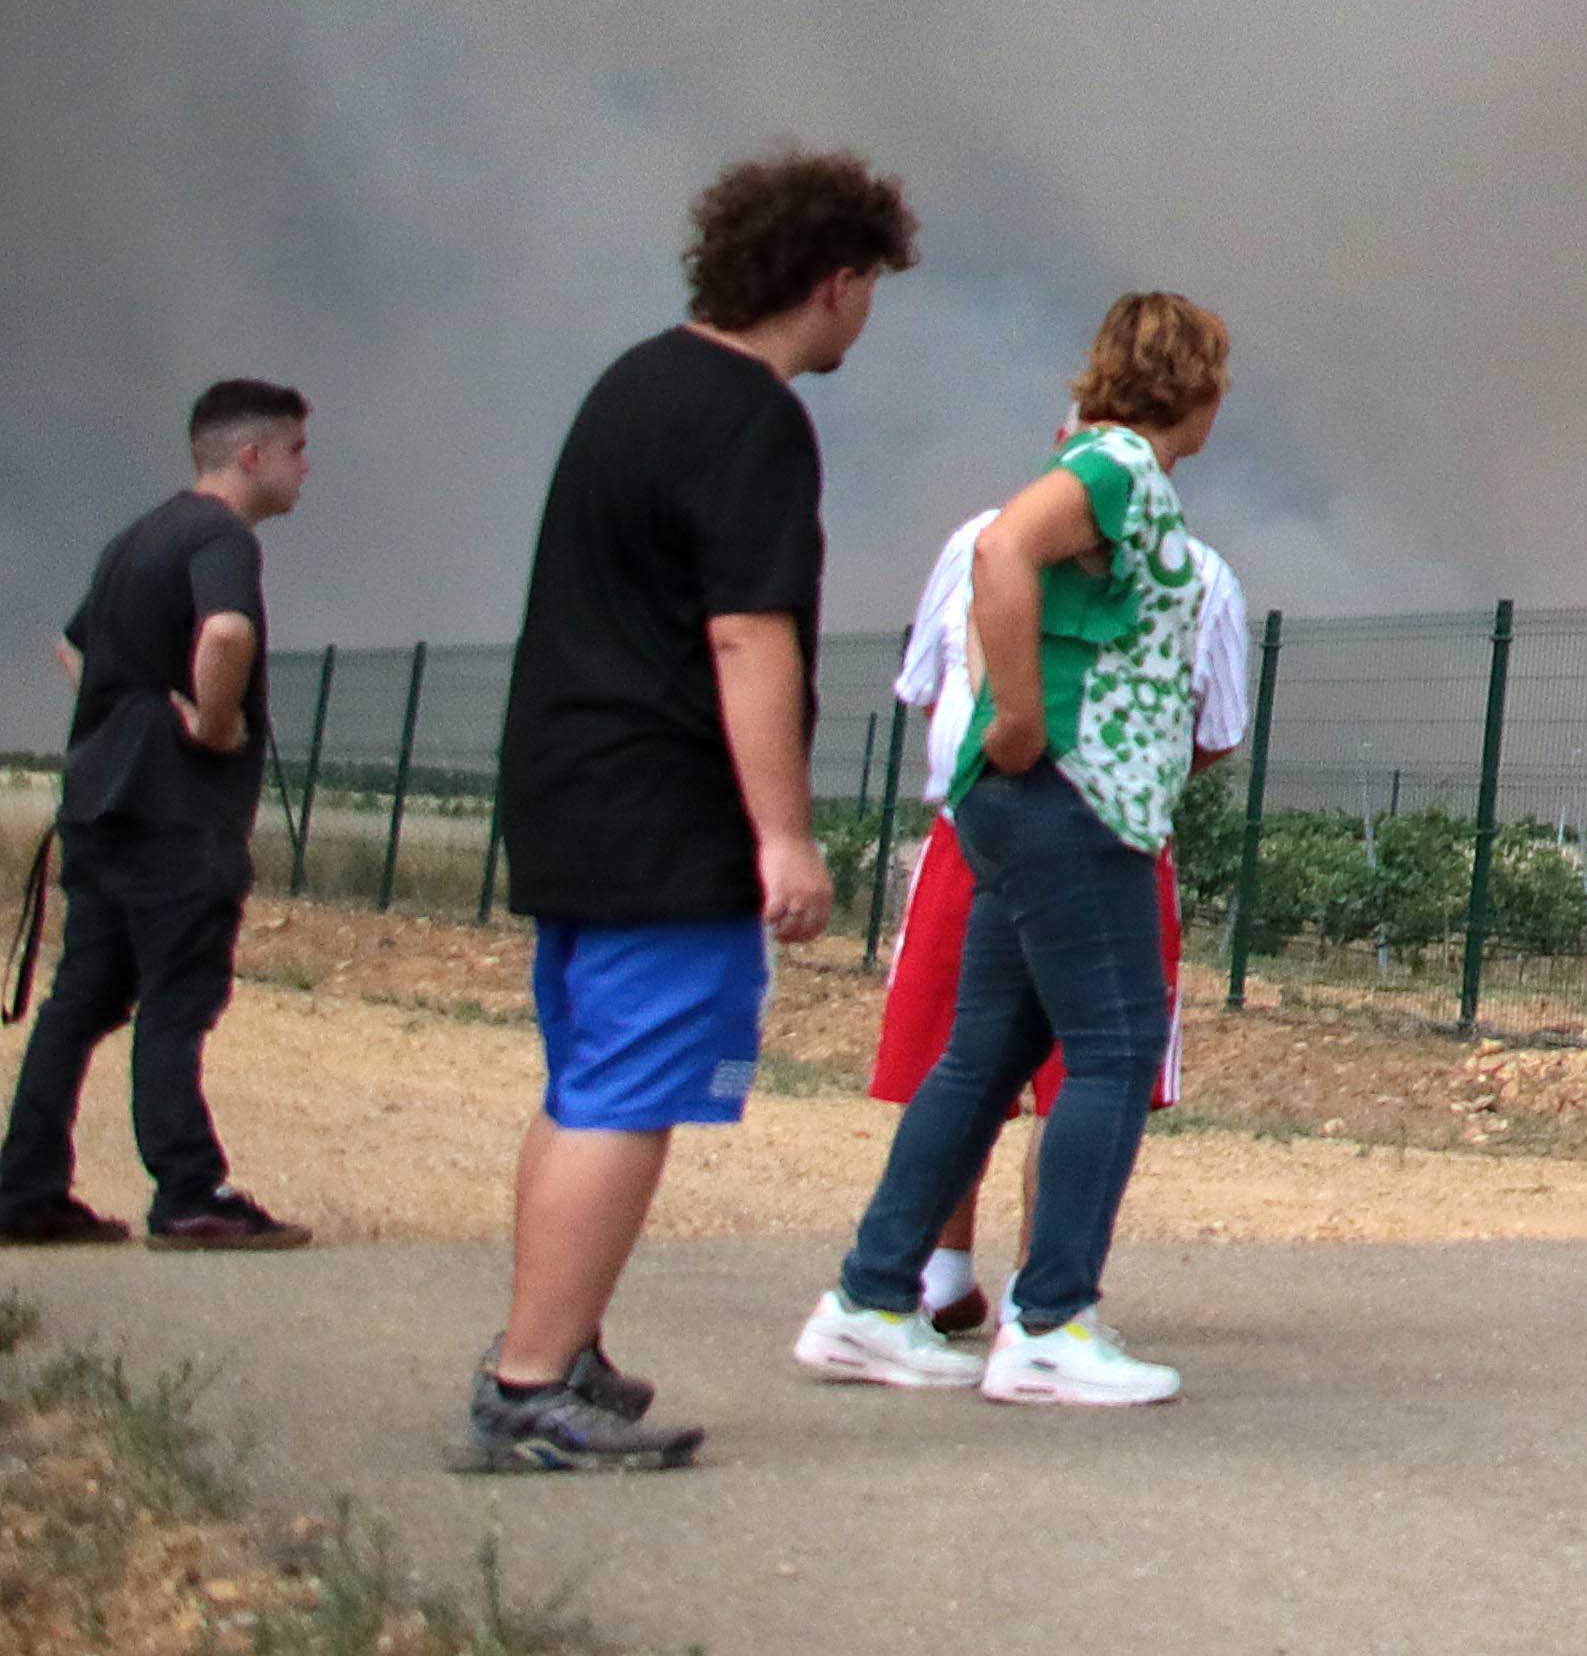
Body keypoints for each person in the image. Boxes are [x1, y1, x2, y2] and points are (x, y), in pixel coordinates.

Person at [456, 148, 916, 1475]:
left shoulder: (634, 383)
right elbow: (745, 636)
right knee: (627, 1095)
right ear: (833, 282)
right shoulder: (750, 418)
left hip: (570, 793)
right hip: (665, 813)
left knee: (587, 1084)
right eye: (870, 287)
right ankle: (529, 1382)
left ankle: (558, 1342)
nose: (866, 314)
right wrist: (782, 832)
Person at [798, 292, 1230, 1410]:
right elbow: (1004, 552)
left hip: (1033, 809)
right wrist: (1021, 720)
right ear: (1200, 388)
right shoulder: (1121, 470)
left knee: (983, 1055)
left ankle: (869, 1300)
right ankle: (1051, 1324)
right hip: (1072, 804)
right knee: (1117, 1051)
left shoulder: (1109, 469)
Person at [862, 489, 1248, 1334]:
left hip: (993, 825)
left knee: (973, 1061)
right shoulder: (1198, 573)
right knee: (1079, 1067)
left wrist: (1004, 751)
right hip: (1086, 834)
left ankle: (928, 1286)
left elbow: (932, 687)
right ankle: (1021, 1306)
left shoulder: (980, 541)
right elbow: (1211, 732)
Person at [1, 383, 321, 1252]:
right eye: (295, 449)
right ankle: (190, 1193)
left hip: (101, 804)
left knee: (83, 999)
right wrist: (212, 723)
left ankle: (24, 1189)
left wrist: (122, 709)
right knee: (178, 998)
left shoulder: (135, 538)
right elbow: (225, 634)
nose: (306, 467)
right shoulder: (221, 538)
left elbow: (72, 647)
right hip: (175, 816)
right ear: (249, 456)